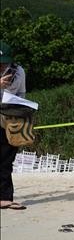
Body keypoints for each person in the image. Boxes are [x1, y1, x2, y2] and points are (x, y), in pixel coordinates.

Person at [0, 41, 27, 210]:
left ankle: (5, 197)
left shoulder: (18, 72)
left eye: (4, 63)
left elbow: (22, 94)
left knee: (6, 159)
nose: (2, 66)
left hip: (9, 118)